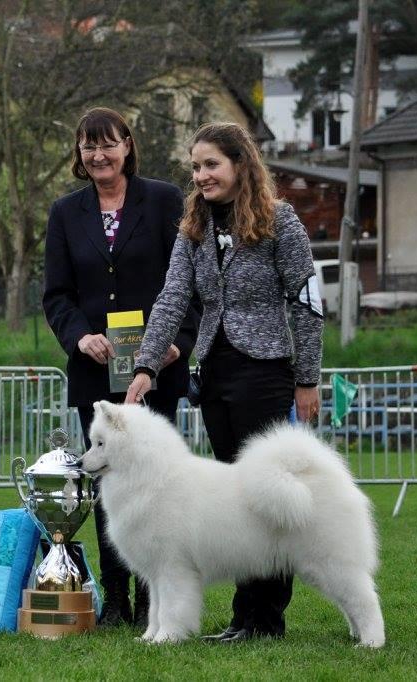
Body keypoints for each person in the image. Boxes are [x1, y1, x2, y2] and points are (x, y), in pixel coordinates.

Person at [124, 122, 324, 643]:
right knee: (233, 503)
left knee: (268, 497)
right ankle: (243, 617)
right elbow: (171, 298)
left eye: (211, 164)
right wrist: (145, 367)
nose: (201, 175)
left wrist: (307, 380)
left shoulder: (281, 220)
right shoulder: (193, 228)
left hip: (265, 371)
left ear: (240, 164)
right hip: (212, 372)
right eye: (195, 167)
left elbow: (306, 304)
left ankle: (267, 618)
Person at [43, 107, 200, 627]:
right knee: (107, 483)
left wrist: (176, 343)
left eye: (108, 144)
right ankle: (114, 597)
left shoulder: (163, 201)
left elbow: (189, 282)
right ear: (78, 154)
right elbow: (57, 294)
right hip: (95, 373)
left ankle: (156, 595)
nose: (99, 155)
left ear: (128, 146)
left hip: (156, 368)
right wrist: (79, 336)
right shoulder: (65, 214)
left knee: (156, 486)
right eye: (89, 147)